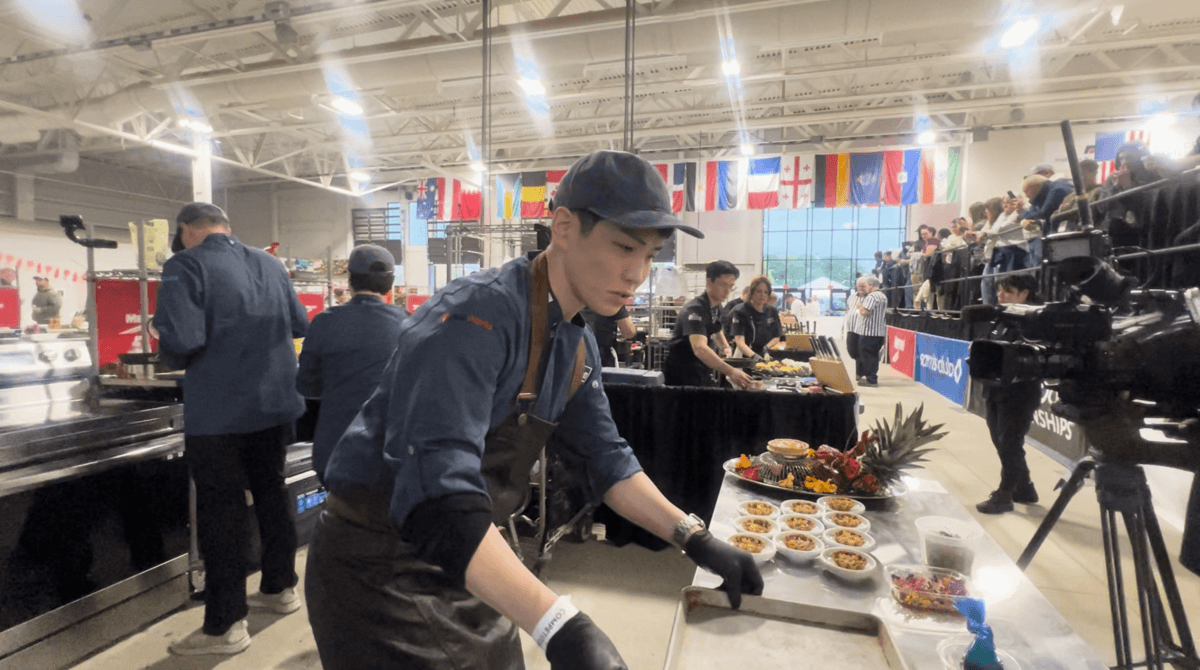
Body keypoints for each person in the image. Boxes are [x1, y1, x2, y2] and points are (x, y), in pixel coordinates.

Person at [306, 151, 763, 670]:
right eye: (623, 246)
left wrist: (696, 538)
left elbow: (607, 459)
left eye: (651, 254)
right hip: (380, 571)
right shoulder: (475, 316)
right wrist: (558, 623)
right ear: (564, 227)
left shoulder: (575, 342)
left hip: (471, 561)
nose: (637, 273)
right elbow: (438, 497)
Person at [154, 202, 310, 655]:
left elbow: (182, 340)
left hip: (220, 413)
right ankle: (280, 588)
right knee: (271, 491)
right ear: (225, 227)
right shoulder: (269, 262)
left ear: (186, 231)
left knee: (221, 512)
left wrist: (160, 334)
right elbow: (300, 322)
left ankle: (225, 626)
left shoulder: (185, 265)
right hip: (275, 405)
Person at [297, 244, 408, 481]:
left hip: (335, 453)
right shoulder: (410, 325)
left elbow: (307, 387)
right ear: (389, 284)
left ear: (350, 280)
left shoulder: (324, 323)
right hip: (389, 454)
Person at [976, 273, 1044, 514]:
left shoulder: (1034, 321)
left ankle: (1005, 495)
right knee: (1001, 441)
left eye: (1007, 291)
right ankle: (1024, 487)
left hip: (1020, 392)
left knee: (1009, 443)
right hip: (995, 388)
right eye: (999, 291)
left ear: (1024, 293)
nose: (1000, 296)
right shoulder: (1001, 317)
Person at [664, 261, 756, 389]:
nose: (728, 290)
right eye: (723, 285)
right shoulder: (695, 310)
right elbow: (700, 348)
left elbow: (717, 330)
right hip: (683, 373)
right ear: (708, 283)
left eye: (731, 286)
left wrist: (725, 348)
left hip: (701, 369)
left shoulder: (715, 307)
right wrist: (731, 371)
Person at [1020, 174, 1074, 265]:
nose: (1025, 196)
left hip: (1066, 236)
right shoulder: (1045, 192)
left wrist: (1024, 217)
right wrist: (1024, 218)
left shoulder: (1057, 190)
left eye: (1026, 191)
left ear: (1035, 187)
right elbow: (1030, 213)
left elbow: (1043, 213)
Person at [729, 275, 783, 358]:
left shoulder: (772, 312)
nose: (762, 295)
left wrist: (766, 347)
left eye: (765, 292)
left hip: (764, 354)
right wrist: (754, 356)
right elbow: (740, 341)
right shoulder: (741, 311)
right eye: (759, 291)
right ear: (752, 293)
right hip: (743, 354)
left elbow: (776, 336)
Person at [847, 275, 887, 385]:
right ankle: (869, 376)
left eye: (866, 285)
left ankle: (871, 379)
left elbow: (865, 312)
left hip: (868, 332)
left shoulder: (872, 297)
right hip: (878, 332)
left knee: (867, 355)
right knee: (871, 355)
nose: (865, 288)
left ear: (870, 285)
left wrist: (860, 307)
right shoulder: (883, 296)